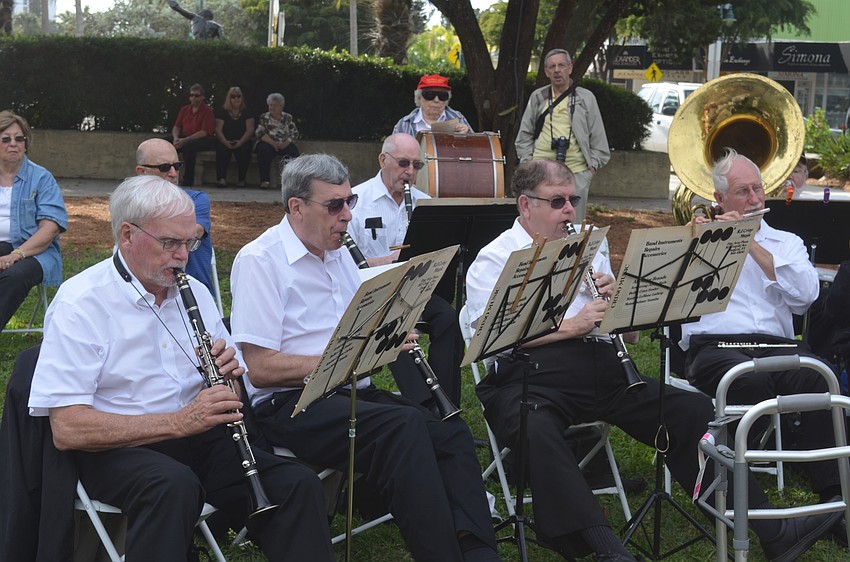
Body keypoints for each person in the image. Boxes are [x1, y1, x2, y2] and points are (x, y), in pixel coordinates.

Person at [466, 158, 841, 562]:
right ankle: (604, 549)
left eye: (572, 199)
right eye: (558, 202)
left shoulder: (587, 246)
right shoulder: (494, 259)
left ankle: (772, 529)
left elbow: (629, 335)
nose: (570, 211)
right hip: (528, 377)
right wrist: (573, 325)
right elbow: (493, 342)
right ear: (526, 205)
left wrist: (619, 307)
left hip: (599, 370)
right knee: (537, 429)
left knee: (691, 411)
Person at [27, 175, 334, 561]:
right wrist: (179, 421)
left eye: (190, 241)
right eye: (170, 242)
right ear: (127, 235)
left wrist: (229, 379)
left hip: (200, 439)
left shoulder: (196, 293)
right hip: (116, 448)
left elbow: (230, 397)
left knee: (296, 484)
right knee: (172, 485)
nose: (183, 255)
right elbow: (68, 428)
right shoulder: (82, 303)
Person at [230, 154, 501, 562]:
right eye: (335, 206)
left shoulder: (337, 253)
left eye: (350, 202)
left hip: (349, 391)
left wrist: (387, 330)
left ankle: (480, 553)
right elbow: (261, 369)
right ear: (296, 207)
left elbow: (354, 328)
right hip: (290, 404)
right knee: (404, 425)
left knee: (450, 432)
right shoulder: (260, 260)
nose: (347, 216)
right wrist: (350, 357)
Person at [681, 149, 845, 522]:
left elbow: (806, 297)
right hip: (717, 347)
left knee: (820, 378)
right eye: (743, 192)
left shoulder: (787, 243)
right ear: (719, 199)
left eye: (758, 189)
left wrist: (749, 242)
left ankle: (834, 495)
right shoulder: (698, 242)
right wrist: (717, 238)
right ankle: (725, 478)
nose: (755, 199)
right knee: (748, 383)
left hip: (777, 346)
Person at [348, 133, 465, 406]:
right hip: (373, 294)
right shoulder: (356, 201)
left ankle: (446, 401)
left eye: (416, 165)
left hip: (415, 288)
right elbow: (340, 260)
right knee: (396, 325)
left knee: (448, 318)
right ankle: (424, 405)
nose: (410, 172)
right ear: (382, 160)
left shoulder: (426, 203)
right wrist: (382, 263)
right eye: (403, 163)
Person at [514, 49, 610, 222]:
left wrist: (591, 169)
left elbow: (599, 139)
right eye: (552, 66)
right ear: (546, 72)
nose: (557, 70)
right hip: (539, 173)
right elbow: (524, 136)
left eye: (561, 65)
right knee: (534, 222)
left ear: (570, 67)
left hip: (576, 173)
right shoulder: (539, 97)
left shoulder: (586, 98)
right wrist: (527, 163)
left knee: (571, 226)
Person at [0, 110, 67, 334]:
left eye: (19, 139)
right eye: (5, 139)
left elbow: (50, 229)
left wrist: (16, 255)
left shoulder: (41, 178)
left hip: (35, 251)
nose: (13, 144)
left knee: (14, 276)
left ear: (26, 143)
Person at [136, 138, 215, 297]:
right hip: (144, 297)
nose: (173, 173)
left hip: (194, 295)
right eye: (164, 167)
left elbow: (191, 233)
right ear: (142, 172)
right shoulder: (133, 207)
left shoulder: (196, 201)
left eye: (177, 166)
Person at [393, 74, 473, 136]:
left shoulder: (458, 118)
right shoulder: (405, 123)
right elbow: (393, 152)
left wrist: (467, 134)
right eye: (430, 95)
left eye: (442, 96)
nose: (436, 100)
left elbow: (475, 149)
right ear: (419, 98)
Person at [169, 83, 215, 187]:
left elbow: (204, 132)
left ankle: (188, 180)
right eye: (192, 95)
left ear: (202, 97)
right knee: (164, 143)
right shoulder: (184, 109)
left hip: (203, 139)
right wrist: (176, 139)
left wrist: (185, 140)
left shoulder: (208, 111)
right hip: (184, 136)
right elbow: (176, 127)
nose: (193, 98)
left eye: (197, 95)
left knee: (189, 147)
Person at [255, 93, 300, 190]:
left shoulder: (288, 117)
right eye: (270, 105)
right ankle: (264, 180)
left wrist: (286, 143)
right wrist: (273, 143)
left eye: (274, 105)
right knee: (263, 149)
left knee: (293, 152)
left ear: (281, 107)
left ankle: (291, 182)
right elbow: (259, 133)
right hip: (269, 143)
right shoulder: (264, 117)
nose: (272, 107)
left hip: (284, 143)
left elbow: (295, 133)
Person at [214, 86, 255, 188]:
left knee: (244, 151)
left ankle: (242, 179)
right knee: (222, 150)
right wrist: (226, 142)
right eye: (233, 96)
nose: (236, 99)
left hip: (242, 141)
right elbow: (218, 130)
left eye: (238, 96)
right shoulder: (222, 112)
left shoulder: (247, 112)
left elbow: (250, 130)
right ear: (229, 98)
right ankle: (221, 179)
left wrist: (240, 142)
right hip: (225, 140)